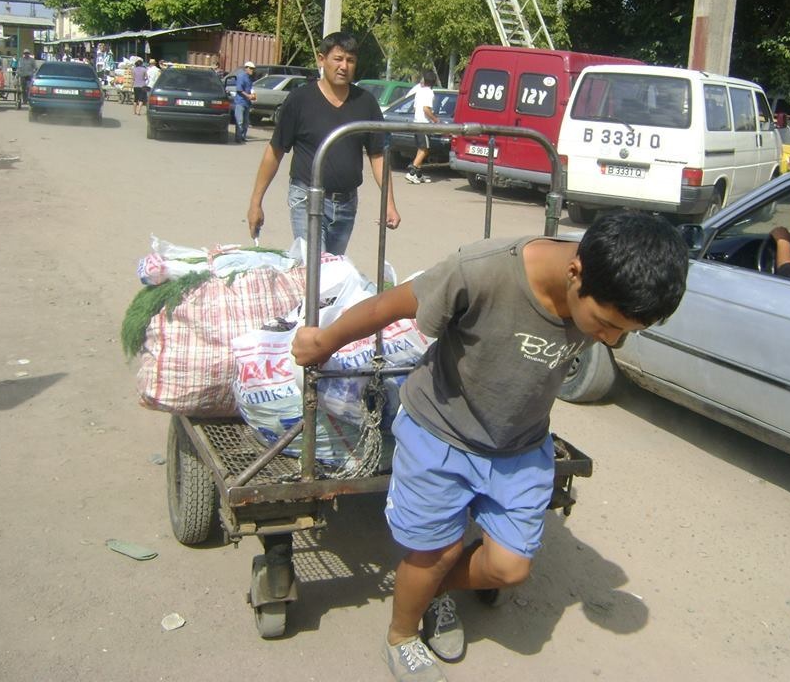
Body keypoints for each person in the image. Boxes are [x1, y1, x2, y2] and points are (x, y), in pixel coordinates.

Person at [291, 211, 688, 681]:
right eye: (605, 324)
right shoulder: (483, 271)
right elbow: (393, 305)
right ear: (575, 273)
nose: (610, 340)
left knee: (508, 567)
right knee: (433, 553)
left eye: (625, 333)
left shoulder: (605, 287)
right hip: (440, 434)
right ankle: (401, 634)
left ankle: (434, 591)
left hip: (520, 446)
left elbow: (603, 322)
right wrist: (325, 342)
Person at [246, 31, 400, 253]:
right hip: (307, 198)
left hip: (346, 204)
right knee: (316, 267)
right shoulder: (300, 100)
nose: (344, 66)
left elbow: (378, 156)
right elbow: (274, 152)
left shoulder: (365, 103)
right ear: (321, 59)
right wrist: (256, 202)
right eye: (338, 59)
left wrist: (389, 203)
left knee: (333, 271)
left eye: (350, 60)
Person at [405, 70, 440, 185]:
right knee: (424, 150)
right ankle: (411, 172)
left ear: (425, 80)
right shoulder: (429, 93)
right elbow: (426, 109)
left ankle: (418, 175)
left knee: (420, 149)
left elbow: (416, 108)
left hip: (416, 122)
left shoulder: (419, 92)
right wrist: (435, 120)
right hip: (423, 124)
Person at [233, 61, 256, 143]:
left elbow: (250, 88)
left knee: (246, 122)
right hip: (240, 102)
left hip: (247, 103)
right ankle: (238, 137)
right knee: (240, 121)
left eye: (253, 69)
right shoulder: (241, 76)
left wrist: (253, 95)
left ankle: (243, 136)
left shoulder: (250, 78)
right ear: (246, 68)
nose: (252, 70)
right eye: (251, 68)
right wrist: (248, 96)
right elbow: (239, 90)